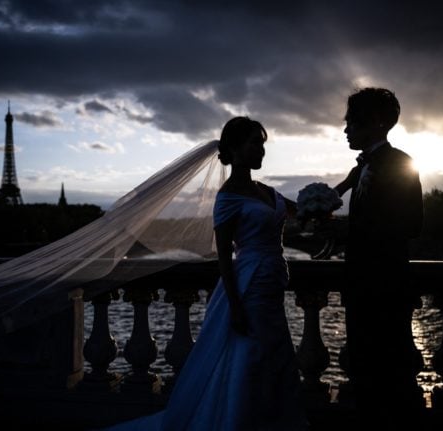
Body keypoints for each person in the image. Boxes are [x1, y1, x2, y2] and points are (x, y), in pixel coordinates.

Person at [106, 116, 307, 431]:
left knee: (275, 353)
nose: (262, 151)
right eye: (255, 143)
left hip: (272, 285)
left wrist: (337, 191)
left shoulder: (267, 191)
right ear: (235, 148)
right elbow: (225, 259)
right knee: (249, 357)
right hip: (249, 285)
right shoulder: (227, 198)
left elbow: (305, 210)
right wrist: (235, 307)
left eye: (263, 144)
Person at [334, 88, 424, 427]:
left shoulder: (401, 163)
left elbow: (413, 224)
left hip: (384, 291)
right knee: (365, 378)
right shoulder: (362, 168)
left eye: (351, 124)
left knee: (389, 382)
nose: (346, 130)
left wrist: (349, 233)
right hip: (362, 290)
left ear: (374, 122)